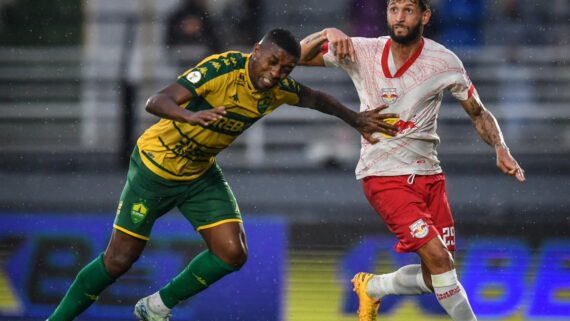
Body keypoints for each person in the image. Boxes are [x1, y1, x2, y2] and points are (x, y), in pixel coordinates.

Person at [46, 28, 399, 321]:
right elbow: (156, 100)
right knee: (120, 260)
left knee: (233, 252)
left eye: (286, 69)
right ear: (256, 51)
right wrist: (189, 116)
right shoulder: (223, 68)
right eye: (272, 61)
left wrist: (356, 119)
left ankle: (156, 307)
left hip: (199, 173)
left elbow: (318, 98)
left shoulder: (278, 89)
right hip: (155, 167)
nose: (275, 73)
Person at [298, 1, 525, 320]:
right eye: (393, 9)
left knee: (437, 278)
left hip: (430, 177)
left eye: (408, 9)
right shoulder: (362, 50)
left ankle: (374, 287)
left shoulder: (444, 61)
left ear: (425, 15)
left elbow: (477, 111)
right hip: (384, 176)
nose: (399, 17)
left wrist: (500, 147)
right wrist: (326, 32)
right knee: (441, 263)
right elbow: (297, 56)